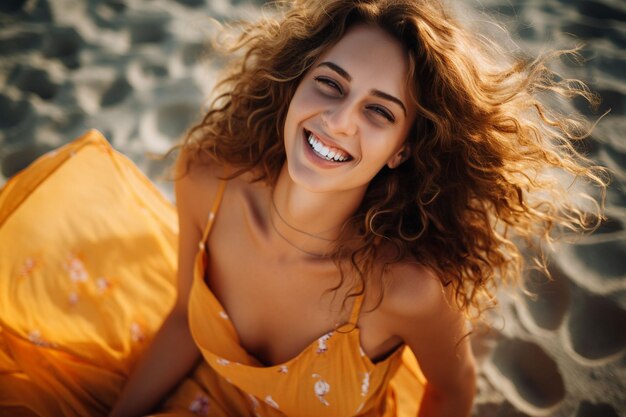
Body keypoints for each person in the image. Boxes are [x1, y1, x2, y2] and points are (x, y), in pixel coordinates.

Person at [0, 1, 605, 417]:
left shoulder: (406, 290)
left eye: (380, 112)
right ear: (295, 84)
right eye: (331, 84)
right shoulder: (208, 182)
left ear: (402, 152)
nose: (339, 122)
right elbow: (186, 319)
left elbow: (452, 391)